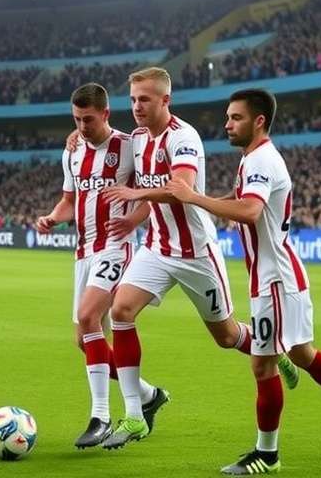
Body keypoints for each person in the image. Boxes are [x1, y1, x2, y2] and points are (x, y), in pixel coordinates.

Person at [165, 89, 321, 474]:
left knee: (263, 366)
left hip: (276, 280)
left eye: (235, 118)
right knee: (301, 354)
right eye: (228, 117)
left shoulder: (262, 158)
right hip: (277, 275)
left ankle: (267, 453)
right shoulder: (253, 158)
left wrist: (195, 198)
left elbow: (249, 210)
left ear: (259, 121)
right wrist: (208, 198)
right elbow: (242, 198)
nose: (227, 124)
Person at [96, 67, 298, 450]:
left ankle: (272, 348)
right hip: (156, 248)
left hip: (196, 254)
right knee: (120, 311)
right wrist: (77, 136)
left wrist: (138, 197)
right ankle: (136, 416)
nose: (137, 107)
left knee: (225, 336)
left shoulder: (184, 138)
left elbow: (181, 189)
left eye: (145, 99)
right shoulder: (137, 138)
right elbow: (101, 136)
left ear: (165, 101)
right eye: (133, 99)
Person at [37, 82, 168, 449]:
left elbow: (151, 195)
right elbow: (68, 200)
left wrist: (133, 220)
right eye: (76, 120)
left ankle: (101, 416)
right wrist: (51, 218)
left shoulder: (129, 146)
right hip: (84, 251)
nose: (81, 127)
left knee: (88, 316)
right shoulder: (73, 152)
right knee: (84, 338)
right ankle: (148, 394)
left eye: (89, 120)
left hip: (116, 247)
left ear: (106, 114)